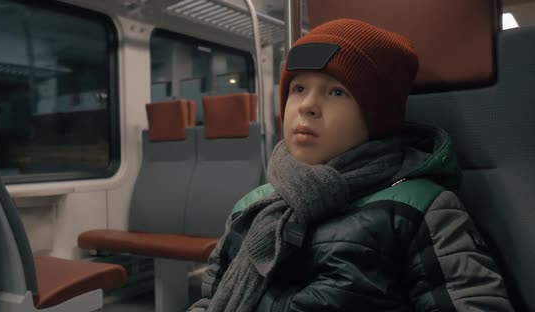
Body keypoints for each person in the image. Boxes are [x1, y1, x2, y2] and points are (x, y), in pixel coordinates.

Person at [188, 19, 514, 312]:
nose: (308, 106)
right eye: (298, 88)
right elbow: (212, 300)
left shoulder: (420, 209)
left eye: (336, 91)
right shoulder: (254, 205)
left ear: (377, 115)